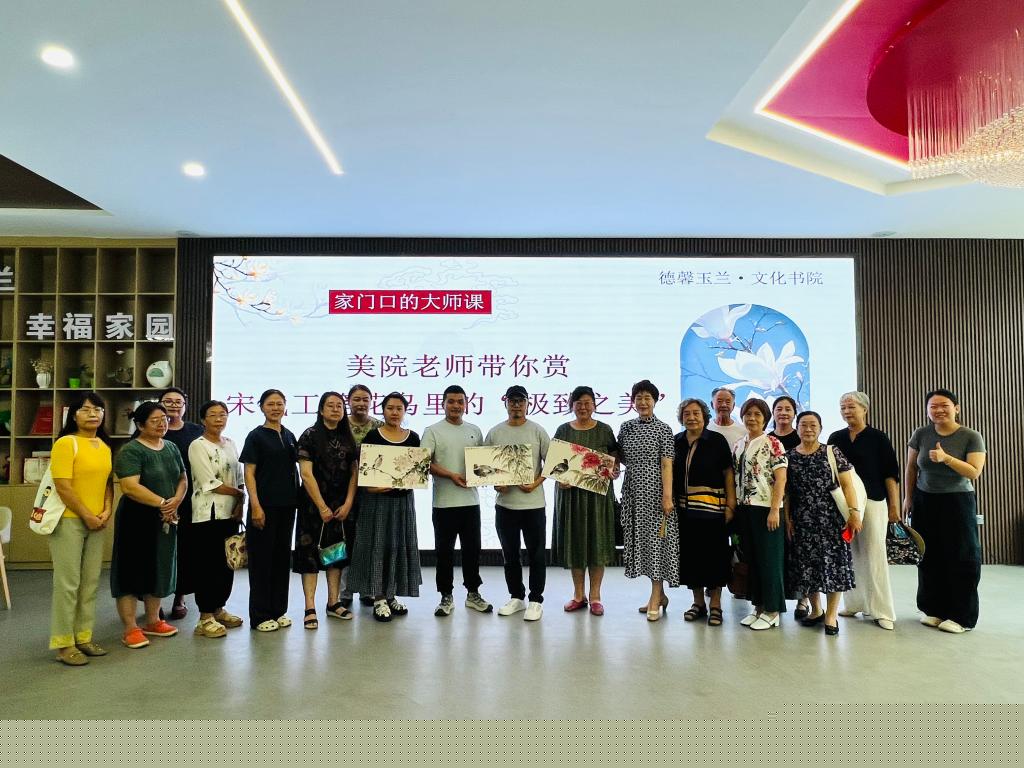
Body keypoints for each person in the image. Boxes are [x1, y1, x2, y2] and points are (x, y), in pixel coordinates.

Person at [904, 388, 986, 634]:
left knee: (961, 557)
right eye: (933, 406)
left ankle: (962, 617)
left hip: (957, 501)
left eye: (944, 405)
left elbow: (974, 471)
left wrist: (946, 458)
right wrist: (909, 497)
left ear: (956, 408)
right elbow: (911, 468)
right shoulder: (921, 434)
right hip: (925, 500)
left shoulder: (971, 436)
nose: (938, 410)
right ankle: (934, 609)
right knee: (929, 556)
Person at [109, 402, 187, 649]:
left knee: (159, 566)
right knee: (132, 570)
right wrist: (163, 503)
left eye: (164, 419)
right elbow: (130, 486)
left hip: (166, 517)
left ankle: (153, 620)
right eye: (155, 420)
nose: (162, 423)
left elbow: (182, 478)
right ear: (140, 425)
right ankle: (131, 628)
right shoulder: (131, 450)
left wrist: (175, 502)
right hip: (137, 518)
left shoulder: (171, 447)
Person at [46, 393, 114, 665]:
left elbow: (108, 484)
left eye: (98, 409)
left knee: (90, 582)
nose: (93, 414)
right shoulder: (66, 443)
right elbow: (63, 486)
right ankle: (64, 644)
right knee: (68, 583)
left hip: (97, 521)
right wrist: (86, 515)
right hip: (69, 520)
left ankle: (83, 636)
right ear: (73, 415)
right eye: (86, 409)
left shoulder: (105, 446)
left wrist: (106, 511)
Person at [827, 391, 900, 630]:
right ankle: (855, 603)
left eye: (852, 407)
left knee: (874, 553)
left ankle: (882, 610)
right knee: (850, 553)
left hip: (874, 500)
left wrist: (894, 507)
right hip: (844, 503)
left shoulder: (878, 437)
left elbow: (890, 474)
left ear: (864, 409)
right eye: (843, 407)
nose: (847, 411)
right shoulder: (835, 438)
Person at [348, 392, 423, 621]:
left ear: (405, 411)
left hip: (403, 503)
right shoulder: (373, 436)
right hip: (377, 502)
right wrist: (374, 488)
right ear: (383, 410)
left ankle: (391, 595)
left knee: (397, 547)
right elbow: (364, 471)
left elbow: (418, 472)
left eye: (399, 408)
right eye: (390, 408)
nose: (394, 412)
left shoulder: (413, 437)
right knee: (378, 547)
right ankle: (378, 597)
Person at [785, 411, 860, 636]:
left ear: (820, 428)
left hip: (831, 519)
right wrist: (788, 519)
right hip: (802, 520)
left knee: (834, 566)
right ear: (797, 428)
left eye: (813, 425)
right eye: (804, 425)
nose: (808, 429)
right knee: (807, 567)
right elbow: (788, 493)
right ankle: (816, 609)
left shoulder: (831, 451)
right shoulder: (789, 456)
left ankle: (831, 615)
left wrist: (854, 513)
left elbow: (847, 485)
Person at [421, 385, 491, 617]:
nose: (456, 406)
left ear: (466, 405)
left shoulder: (474, 430)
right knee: (444, 553)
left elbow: (484, 463)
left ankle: (473, 594)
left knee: (472, 551)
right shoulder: (432, 431)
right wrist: (451, 475)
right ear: (442, 404)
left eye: (460, 401)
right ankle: (446, 596)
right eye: (451, 401)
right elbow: (424, 463)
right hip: (443, 504)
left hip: (470, 502)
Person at [292, 392, 359, 629]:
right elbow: (306, 474)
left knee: (336, 555)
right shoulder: (310, 435)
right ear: (321, 410)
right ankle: (309, 608)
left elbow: (355, 472)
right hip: (313, 505)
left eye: (339, 405)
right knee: (310, 556)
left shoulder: (348, 437)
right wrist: (321, 506)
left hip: (341, 506)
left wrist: (348, 503)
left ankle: (333, 603)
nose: (335, 409)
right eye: (330, 405)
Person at [553, 385, 620, 616]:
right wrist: (560, 479)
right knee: (576, 543)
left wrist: (614, 469)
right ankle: (578, 595)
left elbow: (615, 457)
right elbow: (554, 464)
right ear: (571, 405)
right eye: (578, 403)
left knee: (597, 542)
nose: (583, 407)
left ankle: (596, 597)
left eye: (587, 403)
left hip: (598, 498)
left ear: (594, 405)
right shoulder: (563, 429)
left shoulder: (604, 430)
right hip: (571, 497)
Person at [487, 385, 550, 622]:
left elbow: (551, 463)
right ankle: (516, 596)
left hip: (534, 505)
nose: (516, 405)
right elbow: (484, 466)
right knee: (510, 555)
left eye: (520, 401)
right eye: (512, 401)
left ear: (527, 403)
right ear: (505, 403)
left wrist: (535, 483)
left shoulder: (537, 431)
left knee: (537, 555)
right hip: (506, 506)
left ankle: (536, 600)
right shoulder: (495, 432)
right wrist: (496, 483)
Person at [239, 389, 299, 632]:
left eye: (279, 404)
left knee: (281, 560)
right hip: (263, 507)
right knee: (261, 561)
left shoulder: (290, 435)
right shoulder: (255, 436)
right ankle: (260, 615)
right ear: (262, 407)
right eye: (270, 404)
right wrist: (255, 505)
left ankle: (278, 610)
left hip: (287, 507)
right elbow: (249, 473)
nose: (275, 408)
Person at [617, 380, 676, 621]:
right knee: (642, 544)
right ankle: (659, 595)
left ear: (655, 400)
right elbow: (620, 457)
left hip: (656, 493)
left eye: (647, 398)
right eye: (638, 398)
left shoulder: (664, 429)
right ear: (633, 401)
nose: (643, 402)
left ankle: (655, 596)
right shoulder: (626, 427)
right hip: (633, 491)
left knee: (656, 544)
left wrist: (667, 496)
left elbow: (667, 464)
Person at [674, 398, 735, 627]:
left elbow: (728, 473)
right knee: (692, 558)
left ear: (704, 416)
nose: (691, 417)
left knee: (715, 558)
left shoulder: (716, 441)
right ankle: (698, 603)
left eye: (696, 413)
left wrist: (731, 504)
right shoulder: (676, 441)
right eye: (686, 414)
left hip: (713, 510)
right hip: (685, 511)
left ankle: (716, 605)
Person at [188, 400, 245, 638]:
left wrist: (240, 503)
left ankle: (219, 609)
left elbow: (239, 476)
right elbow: (209, 482)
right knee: (207, 565)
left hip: (229, 513)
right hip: (207, 513)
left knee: (227, 563)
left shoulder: (230, 443)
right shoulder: (198, 445)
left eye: (223, 414)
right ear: (203, 419)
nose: (219, 419)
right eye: (213, 415)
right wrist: (238, 493)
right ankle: (204, 617)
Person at [732, 398, 787, 631]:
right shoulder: (739, 444)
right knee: (752, 560)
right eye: (748, 414)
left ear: (765, 418)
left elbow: (781, 478)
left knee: (770, 561)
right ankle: (758, 607)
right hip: (745, 508)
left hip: (767, 508)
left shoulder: (773, 442)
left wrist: (775, 509)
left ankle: (773, 610)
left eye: (757, 414)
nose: (752, 418)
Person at [158, 388, 204, 621]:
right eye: (168, 401)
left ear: (185, 406)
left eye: (179, 402)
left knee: (186, 550)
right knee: (157, 551)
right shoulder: (150, 429)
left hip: (189, 499)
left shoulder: (196, 431)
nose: (174, 405)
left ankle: (180, 597)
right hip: (156, 498)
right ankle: (154, 600)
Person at [339, 384, 384, 610]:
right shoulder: (339, 425)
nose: (361, 403)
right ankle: (344, 591)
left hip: (373, 494)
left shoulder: (379, 426)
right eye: (356, 399)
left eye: (365, 399)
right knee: (346, 541)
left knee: (369, 541)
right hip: (343, 492)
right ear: (348, 401)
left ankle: (367, 589)